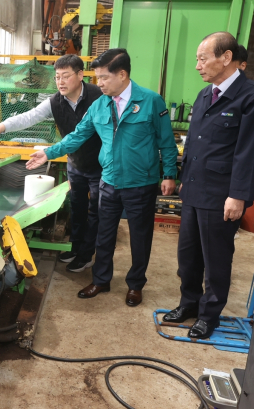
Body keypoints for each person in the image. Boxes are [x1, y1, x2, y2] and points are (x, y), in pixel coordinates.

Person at [26, 49, 178, 306]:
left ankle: (135, 285)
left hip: (141, 182)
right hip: (108, 180)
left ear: (122, 74)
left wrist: (170, 173)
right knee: (104, 234)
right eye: (96, 78)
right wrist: (48, 153)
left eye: (104, 78)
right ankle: (101, 280)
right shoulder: (99, 105)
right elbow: (77, 136)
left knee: (140, 237)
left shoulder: (151, 101)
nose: (99, 84)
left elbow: (167, 142)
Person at [164, 32, 254, 339]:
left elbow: (249, 151)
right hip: (195, 189)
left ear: (225, 58)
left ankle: (209, 315)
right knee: (188, 255)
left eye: (203, 58)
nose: (197, 65)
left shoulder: (253, 96)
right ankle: (188, 304)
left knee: (216, 259)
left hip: (222, 194)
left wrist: (239, 196)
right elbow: (197, 145)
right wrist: (184, 180)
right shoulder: (205, 95)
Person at [0, 55, 103, 272]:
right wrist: (2, 127)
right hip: (75, 163)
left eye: (66, 76)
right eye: (57, 77)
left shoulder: (98, 97)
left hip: (99, 165)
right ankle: (75, 249)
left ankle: (86, 256)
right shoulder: (55, 102)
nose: (60, 82)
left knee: (96, 212)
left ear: (80, 75)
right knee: (77, 208)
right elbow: (29, 116)